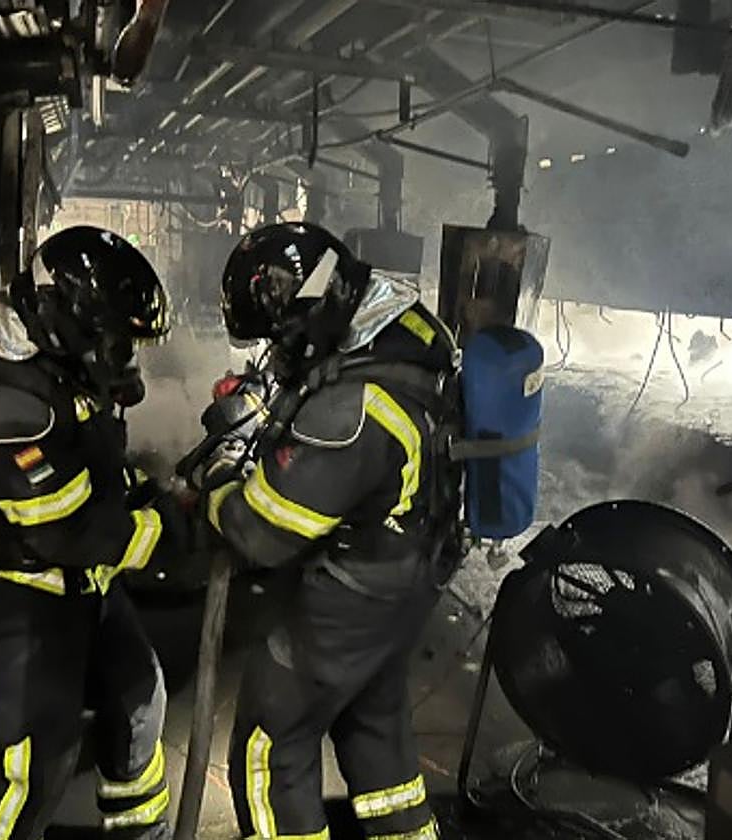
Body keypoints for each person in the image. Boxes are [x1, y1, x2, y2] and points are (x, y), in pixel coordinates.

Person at [205, 222, 461, 840]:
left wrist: (219, 481)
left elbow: (260, 531)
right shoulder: (402, 335)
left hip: (350, 600)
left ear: (311, 305)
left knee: (271, 745)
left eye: (284, 332)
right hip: (410, 576)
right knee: (378, 738)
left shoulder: (352, 409)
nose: (281, 348)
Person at [0, 226, 185, 840]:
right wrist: (170, 536)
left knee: (139, 703)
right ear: (68, 320)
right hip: (20, 598)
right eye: (117, 340)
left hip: (84, 587)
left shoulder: (57, 369)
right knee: (39, 764)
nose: (123, 357)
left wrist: (147, 494)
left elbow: (91, 469)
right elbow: (62, 526)